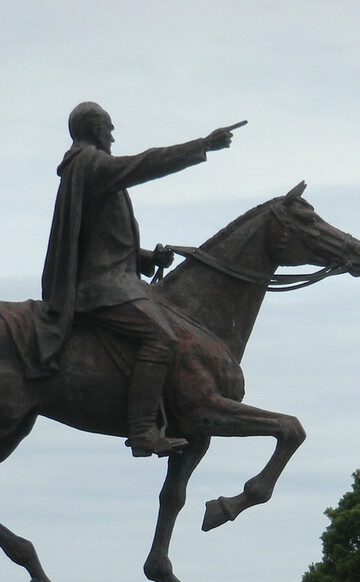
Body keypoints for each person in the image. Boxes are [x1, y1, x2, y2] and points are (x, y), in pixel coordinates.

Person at [40, 102, 240, 457]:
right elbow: (146, 163)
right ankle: (143, 431)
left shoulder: (85, 167)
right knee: (163, 340)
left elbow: (97, 239)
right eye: (109, 127)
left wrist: (146, 257)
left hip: (116, 279)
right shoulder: (91, 163)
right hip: (102, 288)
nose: (113, 135)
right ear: (95, 128)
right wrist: (202, 146)